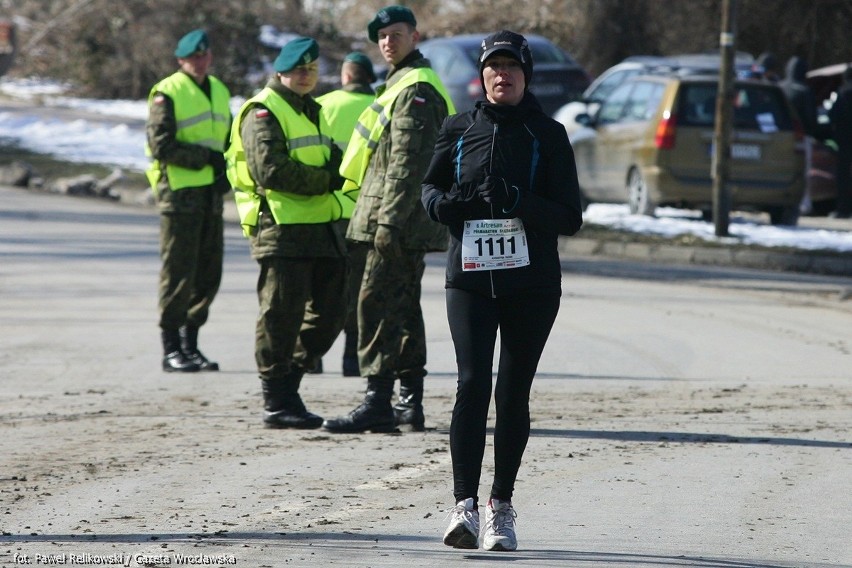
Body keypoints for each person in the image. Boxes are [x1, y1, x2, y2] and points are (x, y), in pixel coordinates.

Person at [420, 30, 583, 551]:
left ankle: (501, 508)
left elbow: (570, 217)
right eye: (493, 67)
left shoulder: (548, 134)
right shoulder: (458, 127)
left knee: (511, 392)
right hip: (469, 279)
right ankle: (463, 507)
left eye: (511, 67)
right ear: (482, 75)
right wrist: (443, 205)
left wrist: (518, 199)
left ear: (524, 76)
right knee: (472, 384)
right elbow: (430, 187)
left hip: (531, 283)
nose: (501, 75)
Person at [321, 5, 454, 434]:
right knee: (401, 305)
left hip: (394, 219)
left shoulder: (416, 87)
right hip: (390, 215)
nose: (387, 41)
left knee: (375, 304)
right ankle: (407, 402)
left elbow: (407, 164)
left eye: (396, 33)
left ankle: (378, 400)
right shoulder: (399, 83)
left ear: (414, 37)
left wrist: (389, 222)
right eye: (381, 36)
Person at [225, 36, 348, 429]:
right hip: (281, 227)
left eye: (311, 69)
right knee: (281, 314)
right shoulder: (263, 110)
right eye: (298, 69)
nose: (305, 75)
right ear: (280, 70)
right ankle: (277, 399)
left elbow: (332, 158)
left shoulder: (312, 109)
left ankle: (289, 381)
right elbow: (270, 171)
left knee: (330, 314)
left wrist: (335, 174)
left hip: (321, 225)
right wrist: (328, 179)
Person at [146, 29, 231, 373]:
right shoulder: (167, 91)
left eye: (205, 55)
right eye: (194, 57)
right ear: (181, 60)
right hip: (179, 195)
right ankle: (171, 349)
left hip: (210, 195)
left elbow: (225, 141)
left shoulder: (220, 90)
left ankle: (191, 345)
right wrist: (205, 159)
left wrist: (224, 168)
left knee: (208, 273)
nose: (200, 61)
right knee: (178, 273)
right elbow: (161, 145)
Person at [314, 51, 377, 377]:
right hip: (368, 212)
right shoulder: (383, 105)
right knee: (361, 287)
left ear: (346, 76)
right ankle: (353, 357)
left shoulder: (323, 105)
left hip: (328, 210)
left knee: (321, 285)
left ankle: (311, 354)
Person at [779, 56, 819, 214]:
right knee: (804, 172)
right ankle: (804, 204)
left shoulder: (779, 87)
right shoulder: (805, 91)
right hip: (801, 137)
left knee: (780, 168)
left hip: (780, 137)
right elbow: (811, 118)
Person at [828, 66, 852, 218]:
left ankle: (843, 209)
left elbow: (832, 115)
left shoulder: (843, 93)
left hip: (844, 141)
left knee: (843, 176)